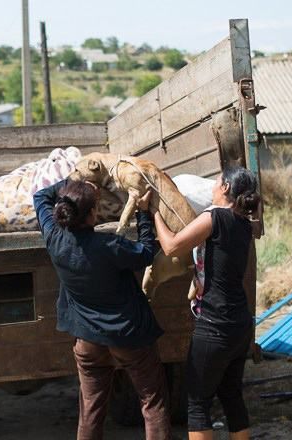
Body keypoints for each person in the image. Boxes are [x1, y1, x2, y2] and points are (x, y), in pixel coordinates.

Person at [33, 179, 172, 440]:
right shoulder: (108, 246)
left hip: (87, 341)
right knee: (153, 402)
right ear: (92, 214)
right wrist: (143, 214)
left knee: (91, 411)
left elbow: (40, 196)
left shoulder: (54, 237)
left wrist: (72, 184)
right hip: (129, 337)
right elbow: (145, 253)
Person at [152, 166, 260, 440]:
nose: (212, 185)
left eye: (216, 181)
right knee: (232, 396)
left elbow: (172, 246)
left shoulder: (214, 217)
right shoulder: (243, 225)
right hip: (240, 324)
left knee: (198, 402)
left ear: (225, 188)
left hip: (215, 326)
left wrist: (153, 212)